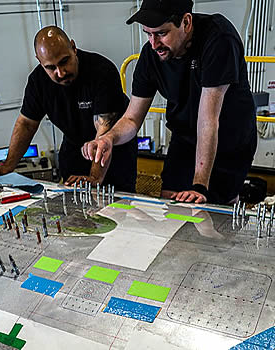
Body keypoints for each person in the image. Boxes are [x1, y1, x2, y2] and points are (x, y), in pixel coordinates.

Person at [82, 0, 256, 205]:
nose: (154, 44)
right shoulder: (151, 54)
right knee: (171, 201)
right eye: (148, 34)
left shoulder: (219, 39)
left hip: (227, 139)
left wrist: (199, 186)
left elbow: (208, 120)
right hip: (185, 136)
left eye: (162, 33)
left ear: (186, 22)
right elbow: (131, 118)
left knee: (213, 210)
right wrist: (109, 138)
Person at [0, 26, 137, 192]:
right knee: (72, 202)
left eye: (64, 62)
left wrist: (95, 178)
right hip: (74, 146)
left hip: (112, 150)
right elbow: (26, 124)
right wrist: (7, 167)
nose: (60, 73)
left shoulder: (101, 71)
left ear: (73, 48)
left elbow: (103, 131)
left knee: (116, 206)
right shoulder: (37, 82)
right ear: (39, 61)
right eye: (50, 67)